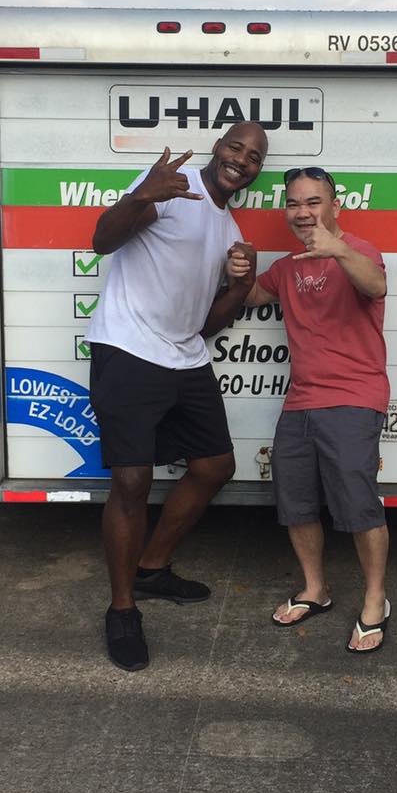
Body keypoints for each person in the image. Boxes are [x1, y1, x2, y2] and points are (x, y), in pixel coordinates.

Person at [87, 122, 267, 671]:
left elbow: (206, 325)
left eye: (255, 156)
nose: (243, 159)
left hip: (184, 356)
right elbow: (102, 241)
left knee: (215, 467)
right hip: (127, 347)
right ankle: (122, 610)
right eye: (236, 146)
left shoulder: (228, 227)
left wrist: (238, 286)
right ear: (218, 148)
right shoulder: (172, 186)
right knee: (132, 481)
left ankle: (152, 567)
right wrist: (141, 194)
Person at [244, 167, 391, 653]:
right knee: (296, 501)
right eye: (294, 204)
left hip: (353, 398)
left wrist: (339, 251)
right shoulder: (286, 268)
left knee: (359, 504)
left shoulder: (360, 251)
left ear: (334, 206)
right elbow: (250, 296)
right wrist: (235, 272)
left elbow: (375, 287)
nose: (303, 212)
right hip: (300, 401)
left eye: (313, 202)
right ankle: (316, 589)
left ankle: (375, 599)